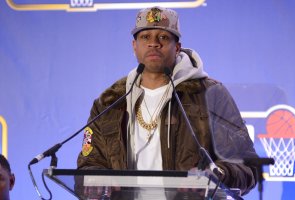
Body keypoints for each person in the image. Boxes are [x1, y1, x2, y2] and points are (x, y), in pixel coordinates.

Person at [77, 6, 258, 198]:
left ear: (177, 47)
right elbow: (89, 164)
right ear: (134, 46)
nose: (153, 43)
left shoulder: (210, 94)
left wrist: (213, 176)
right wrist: (96, 179)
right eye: (145, 37)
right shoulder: (110, 101)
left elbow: (246, 166)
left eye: (163, 37)